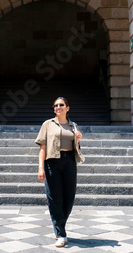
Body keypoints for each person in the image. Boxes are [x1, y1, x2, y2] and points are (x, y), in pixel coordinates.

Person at [36, 97, 84, 248]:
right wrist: (40, 167)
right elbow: (42, 147)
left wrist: (79, 138)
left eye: (61, 105)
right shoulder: (47, 124)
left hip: (69, 161)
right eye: (56, 105)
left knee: (69, 198)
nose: (58, 107)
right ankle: (61, 234)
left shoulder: (73, 125)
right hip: (52, 162)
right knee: (54, 198)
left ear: (67, 108)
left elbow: (76, 145)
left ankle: (61, 225)